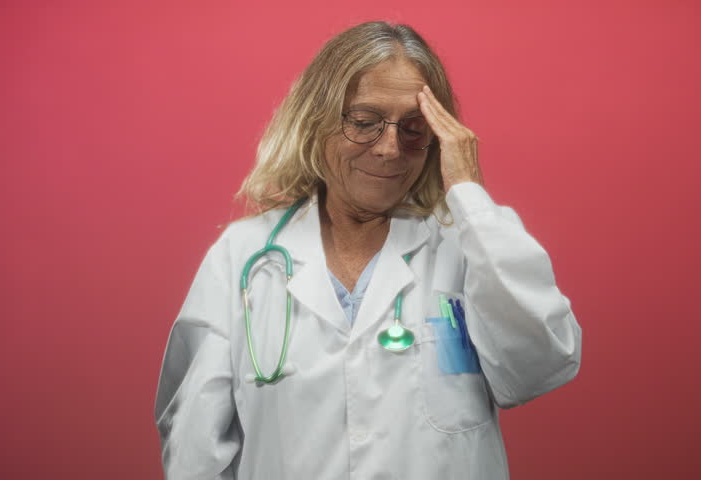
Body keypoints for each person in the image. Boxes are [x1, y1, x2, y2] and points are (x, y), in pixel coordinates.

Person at [154, 21, 581, 480]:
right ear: (316, 121)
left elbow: (540, 365)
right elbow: (194, 445)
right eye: (363, 123)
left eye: (414, 129)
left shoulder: (470, 244)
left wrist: (470, 196)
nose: (390, 149)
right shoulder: (244, 256)